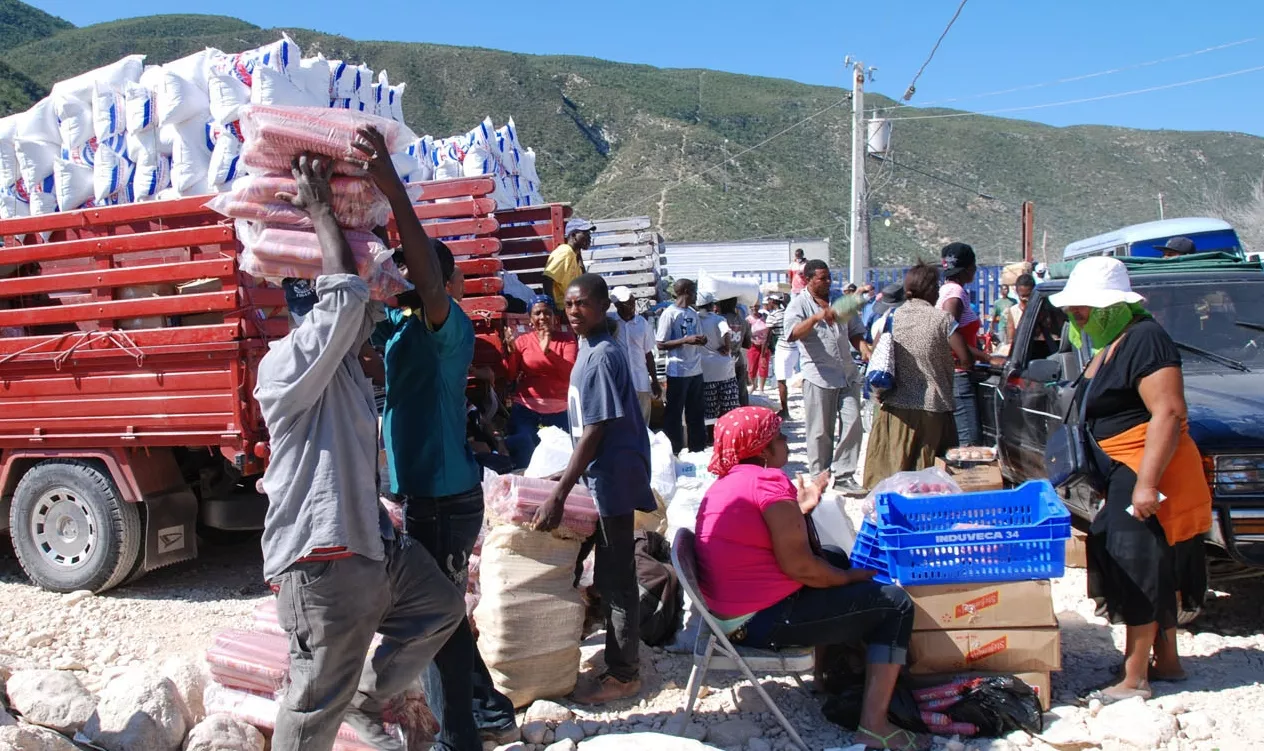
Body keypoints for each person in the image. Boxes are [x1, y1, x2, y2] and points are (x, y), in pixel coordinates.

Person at [254, 153, 463, 751]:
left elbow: (365, 297)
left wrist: (381, 229)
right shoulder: (287, 364)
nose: (369, 310)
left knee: (440, 608)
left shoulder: (343, 364)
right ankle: (343, 706)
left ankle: (368, 699)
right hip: (323, 560)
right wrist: (321, 210)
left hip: (371, 546)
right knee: (314, 701)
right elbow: (346, 299)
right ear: (309, 307)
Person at [359, 127, 518, 750]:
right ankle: (486, 712)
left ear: (445, 285)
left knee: (438, 622)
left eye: (419, 280)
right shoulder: (400, 330)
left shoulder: (449, 327)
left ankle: (462, 737)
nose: (407, 288)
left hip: (448, 501)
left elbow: (424, 280)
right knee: (439, 618)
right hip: (422, 497)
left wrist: (393, 190)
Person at [694, 407, 925, 751]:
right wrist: (849, 579)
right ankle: (874, 726)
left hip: (731, 614)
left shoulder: (728, 482)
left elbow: (767, 535)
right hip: (761, 620)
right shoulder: (768, 482)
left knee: (830, 554)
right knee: (895, 605)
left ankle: (826, 676)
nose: (786, 442)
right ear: (763, 451)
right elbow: (801, 568)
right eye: (779, 437)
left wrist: (803, 512)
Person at [1052, 257, 1211, 704]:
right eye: (1073, 310)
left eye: (1083, 310)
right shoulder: (1119, 339)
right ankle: (1167, 661)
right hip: (1128, 466)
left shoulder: (1146, 340)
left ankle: (1135, 675)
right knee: (1148, 557)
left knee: (1133, 557)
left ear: (1113, 306)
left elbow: (1169, 412)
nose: (1075, 317)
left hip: (1146, 468)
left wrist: (1145, 483)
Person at [534, 273, 657, 704]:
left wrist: (561, 491)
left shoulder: (602, 355)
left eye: (582, 304)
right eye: (568, 304)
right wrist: (566, 476)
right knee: (604, 571)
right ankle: (607, 649)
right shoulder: (589, 348)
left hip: (615, 480)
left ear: (603, 305)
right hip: (601, 476)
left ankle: (624, 673)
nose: (573, 311)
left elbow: (598, 427)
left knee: (618, 577)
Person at [863, 263, 972, 489]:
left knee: (895, 474)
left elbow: (878, 354)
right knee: (929, 478)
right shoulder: (942, 320)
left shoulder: (891, 316)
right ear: (931, 290)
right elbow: (965, 358)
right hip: (933, 408)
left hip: (896, 408)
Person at [784, 260, 868, 494]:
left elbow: (854, 331)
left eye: (829, 277)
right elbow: (791, 334)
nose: (827, 281)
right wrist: (815, 318)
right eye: (822, 278)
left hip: (847, 373)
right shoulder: (799, 304)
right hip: (819, 375)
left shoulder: (839, 302)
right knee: (820, 430)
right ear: (808, 279)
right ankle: (819, 476)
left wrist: (863, 346)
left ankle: (844, 475)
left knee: (853, 423)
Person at [504, 295, 578, 468]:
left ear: (555, 317)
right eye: (537, 313)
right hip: (526, 408)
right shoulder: (523, 341)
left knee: (563, 457)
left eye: (547, 313)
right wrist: (511, 352)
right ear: (530, 319)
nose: (542, 317)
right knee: (524, 448)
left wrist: (549, 353)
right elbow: (510, 375)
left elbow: (570, 373)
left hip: (560, 410)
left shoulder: (567, 340)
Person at [936, 242, 989, 448]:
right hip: (958, 374)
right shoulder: (956, 293)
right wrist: (982, 357)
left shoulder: (945, 290)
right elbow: (949, 329)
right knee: (969, 443)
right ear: (969, 269)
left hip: (949, 372)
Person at [656, 279, 708, 453]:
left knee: (696, 412)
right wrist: (685, 340)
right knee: (675, 413)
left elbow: (698, 335)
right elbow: (661, 344)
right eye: (693, 291)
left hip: (695, 369)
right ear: (685, 291)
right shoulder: (669, 314)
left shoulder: (693, 313)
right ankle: (674, 449)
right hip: (678, 370)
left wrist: (701, 340)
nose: (695, 295)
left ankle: (697, 448)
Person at [608, 286, 662, 423]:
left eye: (633, 301)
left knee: (643, 423)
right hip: (620, 383)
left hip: (641, 382)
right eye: (628, 303)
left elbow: (648, 354)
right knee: (624, 424)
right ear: (617, 305)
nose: (632, 305)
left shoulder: (642, 324)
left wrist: (654, 381)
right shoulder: (610, 324)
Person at [698, 292, 742, 425]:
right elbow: (726, 332)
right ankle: (730, 432)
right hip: (724, 369)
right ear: (712, 305)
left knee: (710, 409)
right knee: (730, 407)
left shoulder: (694, 319)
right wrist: (727, 347)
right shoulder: (718, 319)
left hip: (705, 370)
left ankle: (711, 437)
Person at [543, 218, 593, 305]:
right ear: (574, 235)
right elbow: (547, 278)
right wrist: (551, 306)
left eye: (589, 234)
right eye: (585, 234)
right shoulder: (565, 252)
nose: (589, 238)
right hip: (562, 307)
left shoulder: (574, 255)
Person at [719, 297, 752, 407]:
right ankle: (744, 416)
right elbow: (748, 344)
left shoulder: (719, 320)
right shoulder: (743, 321)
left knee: (725, 393)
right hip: (738, 360)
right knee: (741, 391)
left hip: (722, 360)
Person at [768, 294, 796, 419]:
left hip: (783, 348)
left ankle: (785, 410)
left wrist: (765, 350)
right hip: (795, 349)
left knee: (781, 381)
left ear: (773, 302)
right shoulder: (789, 313)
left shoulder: (773, 315)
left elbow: (767, 335)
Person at [1005, 274, 1038, 347]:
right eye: (1022, 296)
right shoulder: (1013, 311)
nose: (1026, 299)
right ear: (1017, 292)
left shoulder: (1040, 309)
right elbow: (1010, 338)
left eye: (1028, 295)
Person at [746, 306, 771, 394]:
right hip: (753, 345)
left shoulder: (765, 317)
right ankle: (754, 385)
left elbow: (770, 330)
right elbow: (747, 332)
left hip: (764, 345)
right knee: (752, 367)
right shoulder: (748, 319)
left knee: (763, 366)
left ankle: (761, 388)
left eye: (756, 307)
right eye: (752, 307)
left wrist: (767, 343)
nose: (754, 309)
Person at [991, 283, 1015, 351]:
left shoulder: (1013, 301)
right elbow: (994, 316)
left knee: (1011, 344)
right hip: (1002, 326)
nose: (1005, 290)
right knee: (1002, 344)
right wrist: (991, 328)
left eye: (1007, 289)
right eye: (1004, 289)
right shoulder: (997, 302)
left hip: (1011, 326)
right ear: (1001, 291)